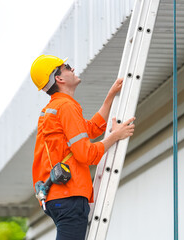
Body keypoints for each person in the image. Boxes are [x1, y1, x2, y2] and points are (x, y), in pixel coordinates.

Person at [30, 55, 135, 240]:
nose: (72, 69)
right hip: (68, 195)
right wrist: (115, 136)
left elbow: (92, 129)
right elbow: (86, 154)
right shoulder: (65, 107)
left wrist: (110, 98)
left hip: (58, 195)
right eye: (67, 67)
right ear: (59, 78)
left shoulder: (54, 109)